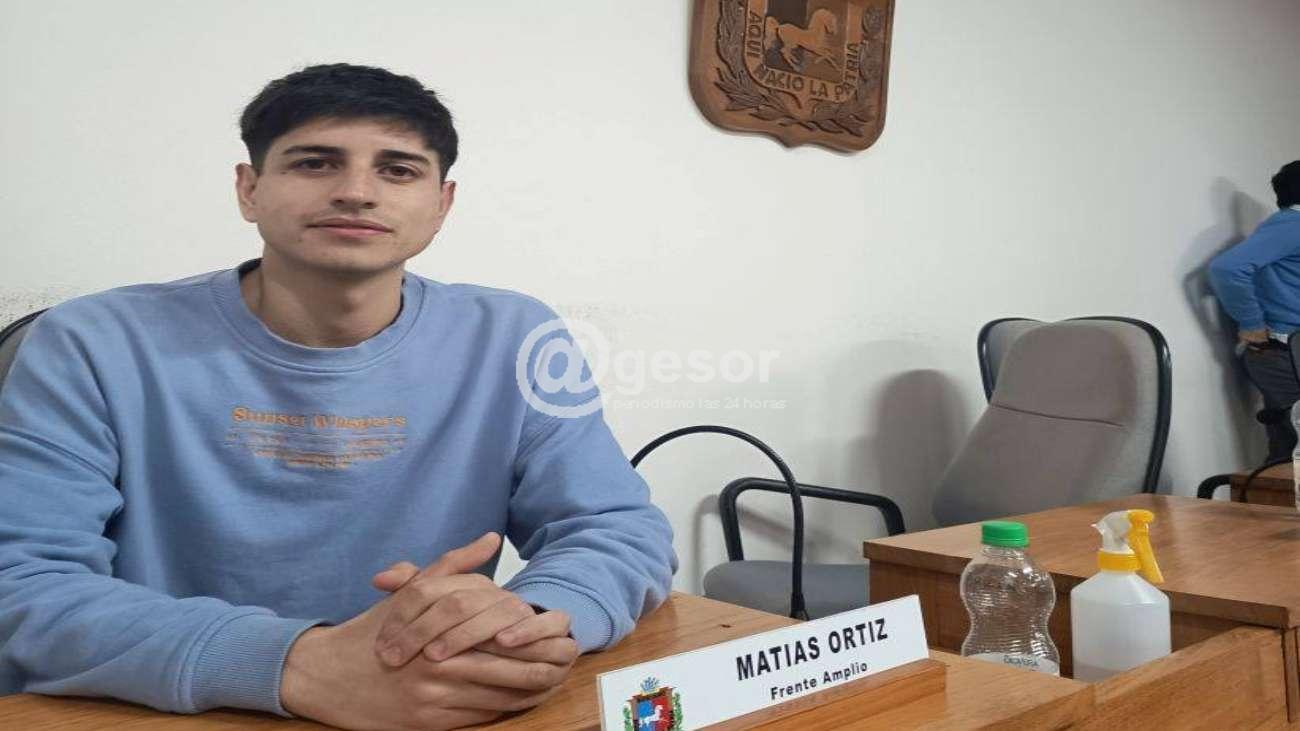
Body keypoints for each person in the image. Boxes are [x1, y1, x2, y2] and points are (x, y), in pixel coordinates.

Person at [0, 63, 677, 730]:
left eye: (398, 170)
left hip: (435, 699)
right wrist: (298, 663)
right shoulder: (92, 341)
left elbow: (616, 529)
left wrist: (525, 622)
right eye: (315, 163)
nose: (356, 192)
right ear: (249, 189)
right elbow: (21, 583)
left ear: (442, 204)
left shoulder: (515, 336)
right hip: (157, 709)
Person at [1209, 160, 1300, 462]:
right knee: (1291, 455)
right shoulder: (1291, 225)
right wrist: (1251, 323)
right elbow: (1227, 269)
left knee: (1288, 451)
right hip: (1285, 352)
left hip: (1288, 351)